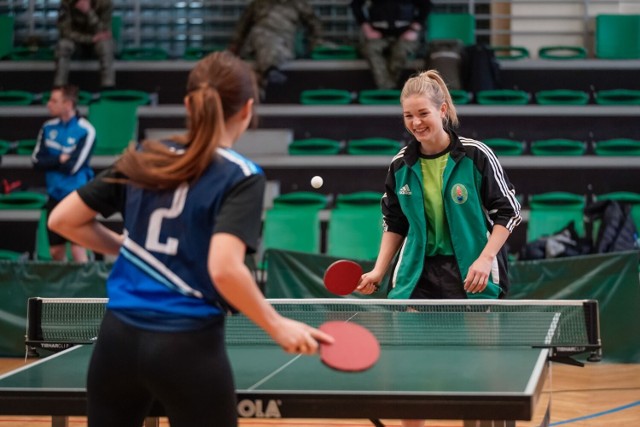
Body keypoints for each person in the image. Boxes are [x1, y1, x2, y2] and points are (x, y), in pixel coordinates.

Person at [48, 51, 333, 427]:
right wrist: (277, 325)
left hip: (117, 341)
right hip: (185, 347)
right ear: (247, 109)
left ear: (188, 103)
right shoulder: (241, 175)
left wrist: (129, 250)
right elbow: (224, 269)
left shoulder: (146, 157)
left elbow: (63, 220)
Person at [357, 70, 521, 427]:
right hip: (417, 274)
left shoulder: (476, 156)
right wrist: (379, 270)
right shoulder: (401, 164)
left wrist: (486, 257)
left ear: (442, 110)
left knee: (482, 372)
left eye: (423, 113)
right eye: (408, 116)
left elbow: (509, 212)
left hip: (472, 272)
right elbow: (394, 222)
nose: (415, 122)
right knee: (410, 374)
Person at [32, 84, 95, 262]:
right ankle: (62, 291)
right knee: (55, 252)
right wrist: (60, 159)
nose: (48, 104)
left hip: (77, 197)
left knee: (78, 251)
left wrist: (52, 162)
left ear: (68, 104)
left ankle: (85, 290)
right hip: (54, 195)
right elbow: (36, 162)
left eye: (54, 100)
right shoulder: (47, 128)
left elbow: (73, 167)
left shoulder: (86, 130)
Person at [228, 0, 323, 91]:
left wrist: (314, 44)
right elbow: (243, 25)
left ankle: (267, 75)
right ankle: (270, 71)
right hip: (259, 38)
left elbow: (314, 24)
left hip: (283, 39)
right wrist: (235, 46)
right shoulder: (259, 3)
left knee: (273, 47)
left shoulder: (297, 3)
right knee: (262, 37)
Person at [351, 0, 431, 90]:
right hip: (378, 35)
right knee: (369, 49)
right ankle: (389, 88)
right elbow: (356, 5)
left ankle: (387, 88)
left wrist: (415, 28)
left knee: (401, 50)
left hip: (405, 34)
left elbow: (426, 5)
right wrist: (366, 28)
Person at [54, 0, 115, 89]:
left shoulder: (105, 3)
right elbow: (65, 32)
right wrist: (90, 39)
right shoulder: (67, 3)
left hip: (96, 45)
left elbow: (104, 32)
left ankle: (108, 87)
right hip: (76, 43)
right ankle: (59, 87)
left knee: (106, 44)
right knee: (63, 45)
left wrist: (88, 12)